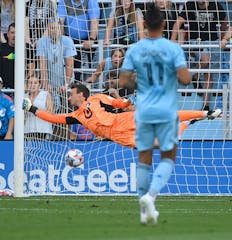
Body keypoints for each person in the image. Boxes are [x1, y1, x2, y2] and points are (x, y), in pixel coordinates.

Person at [119, 3, 192, 224]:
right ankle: (151, 196)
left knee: (144, 159)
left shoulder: (135, 49)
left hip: (144, 110)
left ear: (143, 24)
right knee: (168, 155)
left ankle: (143, 210)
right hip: (167, 110)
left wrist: (141, 82)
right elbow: (186, 79)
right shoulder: (172, 49)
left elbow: (123, 81)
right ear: (163, 24)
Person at [23, 83, 220, 149]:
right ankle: (187, 122)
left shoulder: (97, 98)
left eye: (71, 93)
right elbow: (53, 118)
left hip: (123, 120)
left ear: (80, 94)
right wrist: (32, 109)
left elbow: (119, 104)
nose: (69, 96)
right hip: (117, 136)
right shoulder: (76, 116)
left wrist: (124, 102)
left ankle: (205, 112)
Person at [171, 0, 228, 111]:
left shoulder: (215, 5)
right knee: (205, 61)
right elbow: (178, 23)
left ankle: (205, 106)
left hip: (212, 41)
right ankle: (192, 74)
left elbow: (225, 20)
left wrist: (222, 35)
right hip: (195, 41)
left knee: (208, 74)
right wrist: (172, 41)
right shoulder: (190, 4)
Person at [36, 20, 76, 111]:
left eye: (56, 28)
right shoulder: (42, 42)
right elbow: (42, 64)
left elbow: (69, 65)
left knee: (68, 110)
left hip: (65, 80)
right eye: (51, 28)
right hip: (50, 81)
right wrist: (45, 83)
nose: (54, 30)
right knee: (52, 110)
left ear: (60, 29)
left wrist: (66, 84)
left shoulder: (67, 41)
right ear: (48, 30)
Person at [58, 0, 100, 81]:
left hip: (87, 39)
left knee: (88, 69)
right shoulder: (64, 1)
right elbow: (60, 22)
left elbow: (94, 21)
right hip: (70, 40)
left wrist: (91, 39)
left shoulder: (91, 1)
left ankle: (88, 87)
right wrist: (63, 39)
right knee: (72, 70)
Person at [24, 76, 53, 140]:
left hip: (43, 130)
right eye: (30, 83)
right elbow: (23, 115)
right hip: (28, 130)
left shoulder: (45, 94)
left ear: (39, 85)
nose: (32, 85)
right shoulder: (24, 97)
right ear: (27, 85)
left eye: (35, 83)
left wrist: (36, 111)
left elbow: (51, 112)